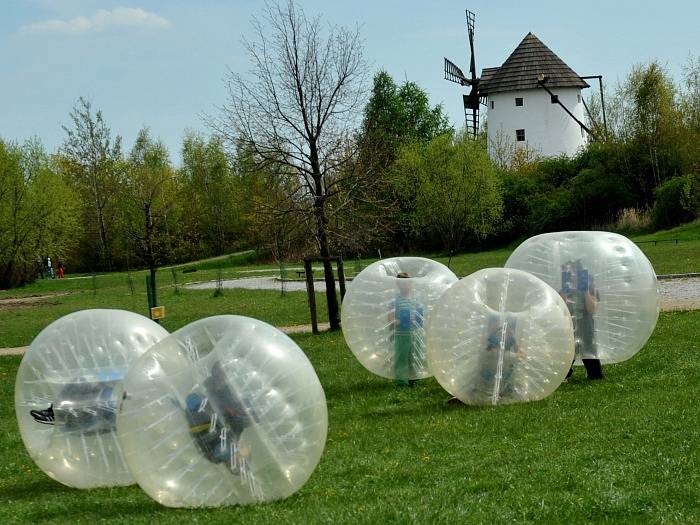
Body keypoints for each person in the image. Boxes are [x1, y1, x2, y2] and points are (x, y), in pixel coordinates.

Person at [184, 361, 257, 472]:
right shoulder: (223, 452)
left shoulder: (223, 452)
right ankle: (218, 381)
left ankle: (218, 380)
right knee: (244, 416)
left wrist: (236, 423)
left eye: (243, 450)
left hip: (201, 412)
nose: (243, 445)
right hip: (204, 414)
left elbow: (222, 431)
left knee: (245, 416)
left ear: (238, 460)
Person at [30, 371, 123, 434]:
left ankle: (60, 414)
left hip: (108, 412)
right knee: (81, 380)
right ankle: (57, 411)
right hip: (113, 393)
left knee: (84, 383)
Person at [560, 260, 604, 380]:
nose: (572, 275)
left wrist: (585, 291)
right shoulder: (563, 290)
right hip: (569, 327)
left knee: (590, 355)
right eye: (568, 273)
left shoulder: (590, 288)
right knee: (568, 352)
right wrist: (564, 290)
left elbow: (592, 309)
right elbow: (560, 309)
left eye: (574, 271)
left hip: (585, 326)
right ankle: (563, 376)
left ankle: (594, 374)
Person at [387, 272, 424, 387]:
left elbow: (420, 315)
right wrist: (398, 321)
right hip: (402, 334)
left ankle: (414, 378)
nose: (407, 286)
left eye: (408, 283)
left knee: (415, 356)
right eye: (404, 284)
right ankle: (402, 381)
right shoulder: (395, 300)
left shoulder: (415, 299)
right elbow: (390, 317)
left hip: (415, 334)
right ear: (399, 285)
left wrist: (418, 319)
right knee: (401, 357)